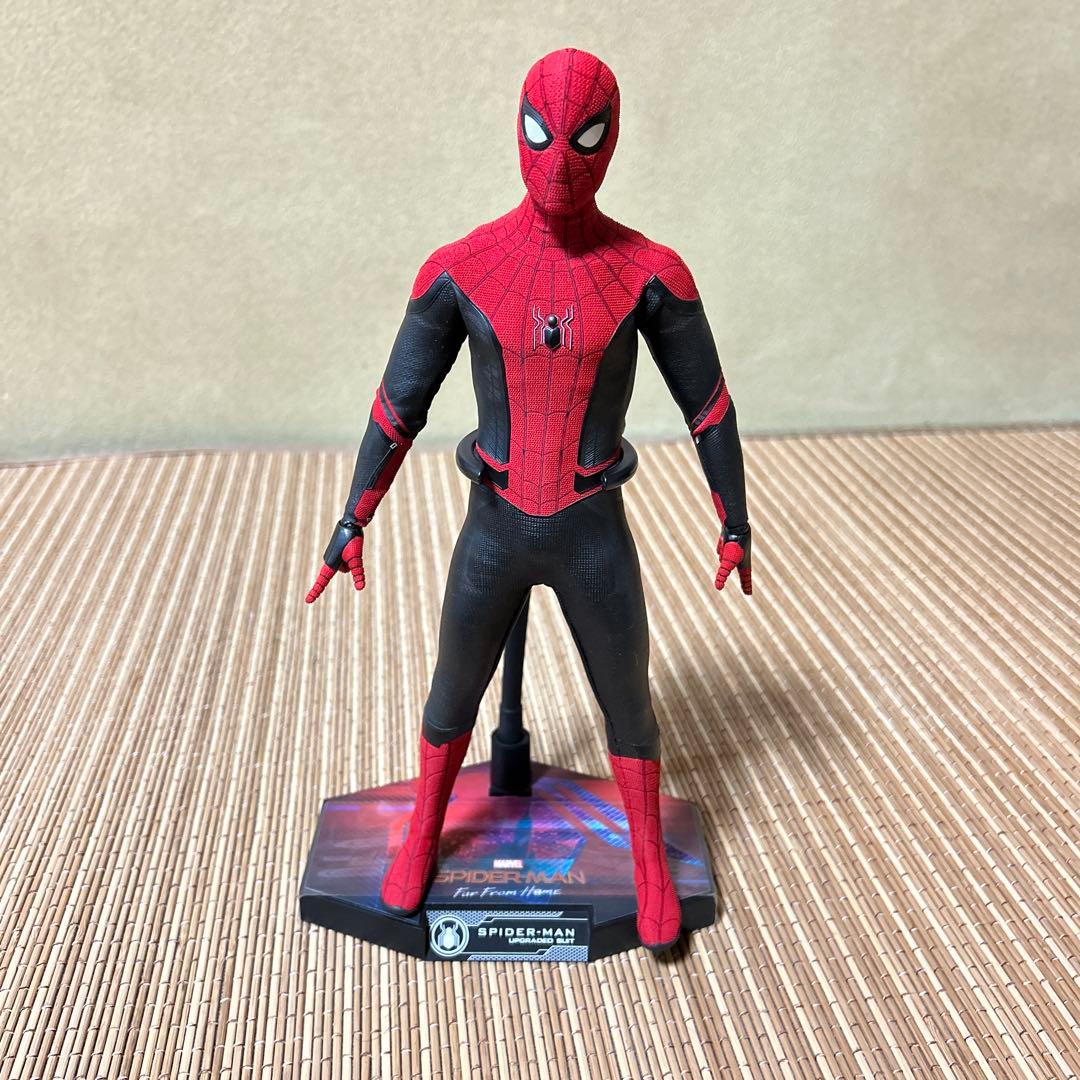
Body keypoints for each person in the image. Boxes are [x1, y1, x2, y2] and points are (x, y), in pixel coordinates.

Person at [306, 48, 751, 952]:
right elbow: (397, 404)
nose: (558, 164)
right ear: (516, 129)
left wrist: (734, 519)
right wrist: (354, 517)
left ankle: (649, 864)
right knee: (452, 689)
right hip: (496, 523)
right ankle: (424, 832)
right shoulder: (462, 267)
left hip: (593, 530)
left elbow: (707, 405)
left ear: (612, 141)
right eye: (541, 135)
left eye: (584, 140)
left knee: (628, 699)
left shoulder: (652, 272)